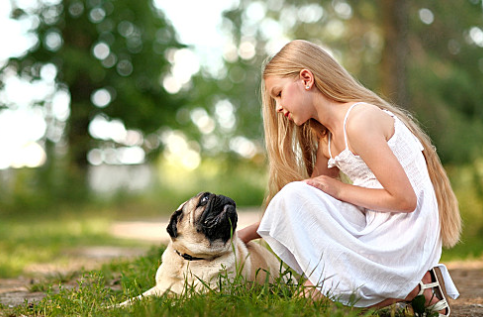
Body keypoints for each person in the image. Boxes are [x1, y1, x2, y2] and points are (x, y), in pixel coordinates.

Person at [237, 40, 461, 315]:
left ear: (306, 78)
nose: (278, 107)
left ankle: (417, 285)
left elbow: (405, 200)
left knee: (319, 297)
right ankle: (408, 288)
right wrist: (244, 235)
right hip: (375, 221)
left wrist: (339, 189)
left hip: (404, 230)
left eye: (279, 94)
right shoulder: (327, 140)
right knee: (298, 200)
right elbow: (312, 199)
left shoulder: (360, 121)